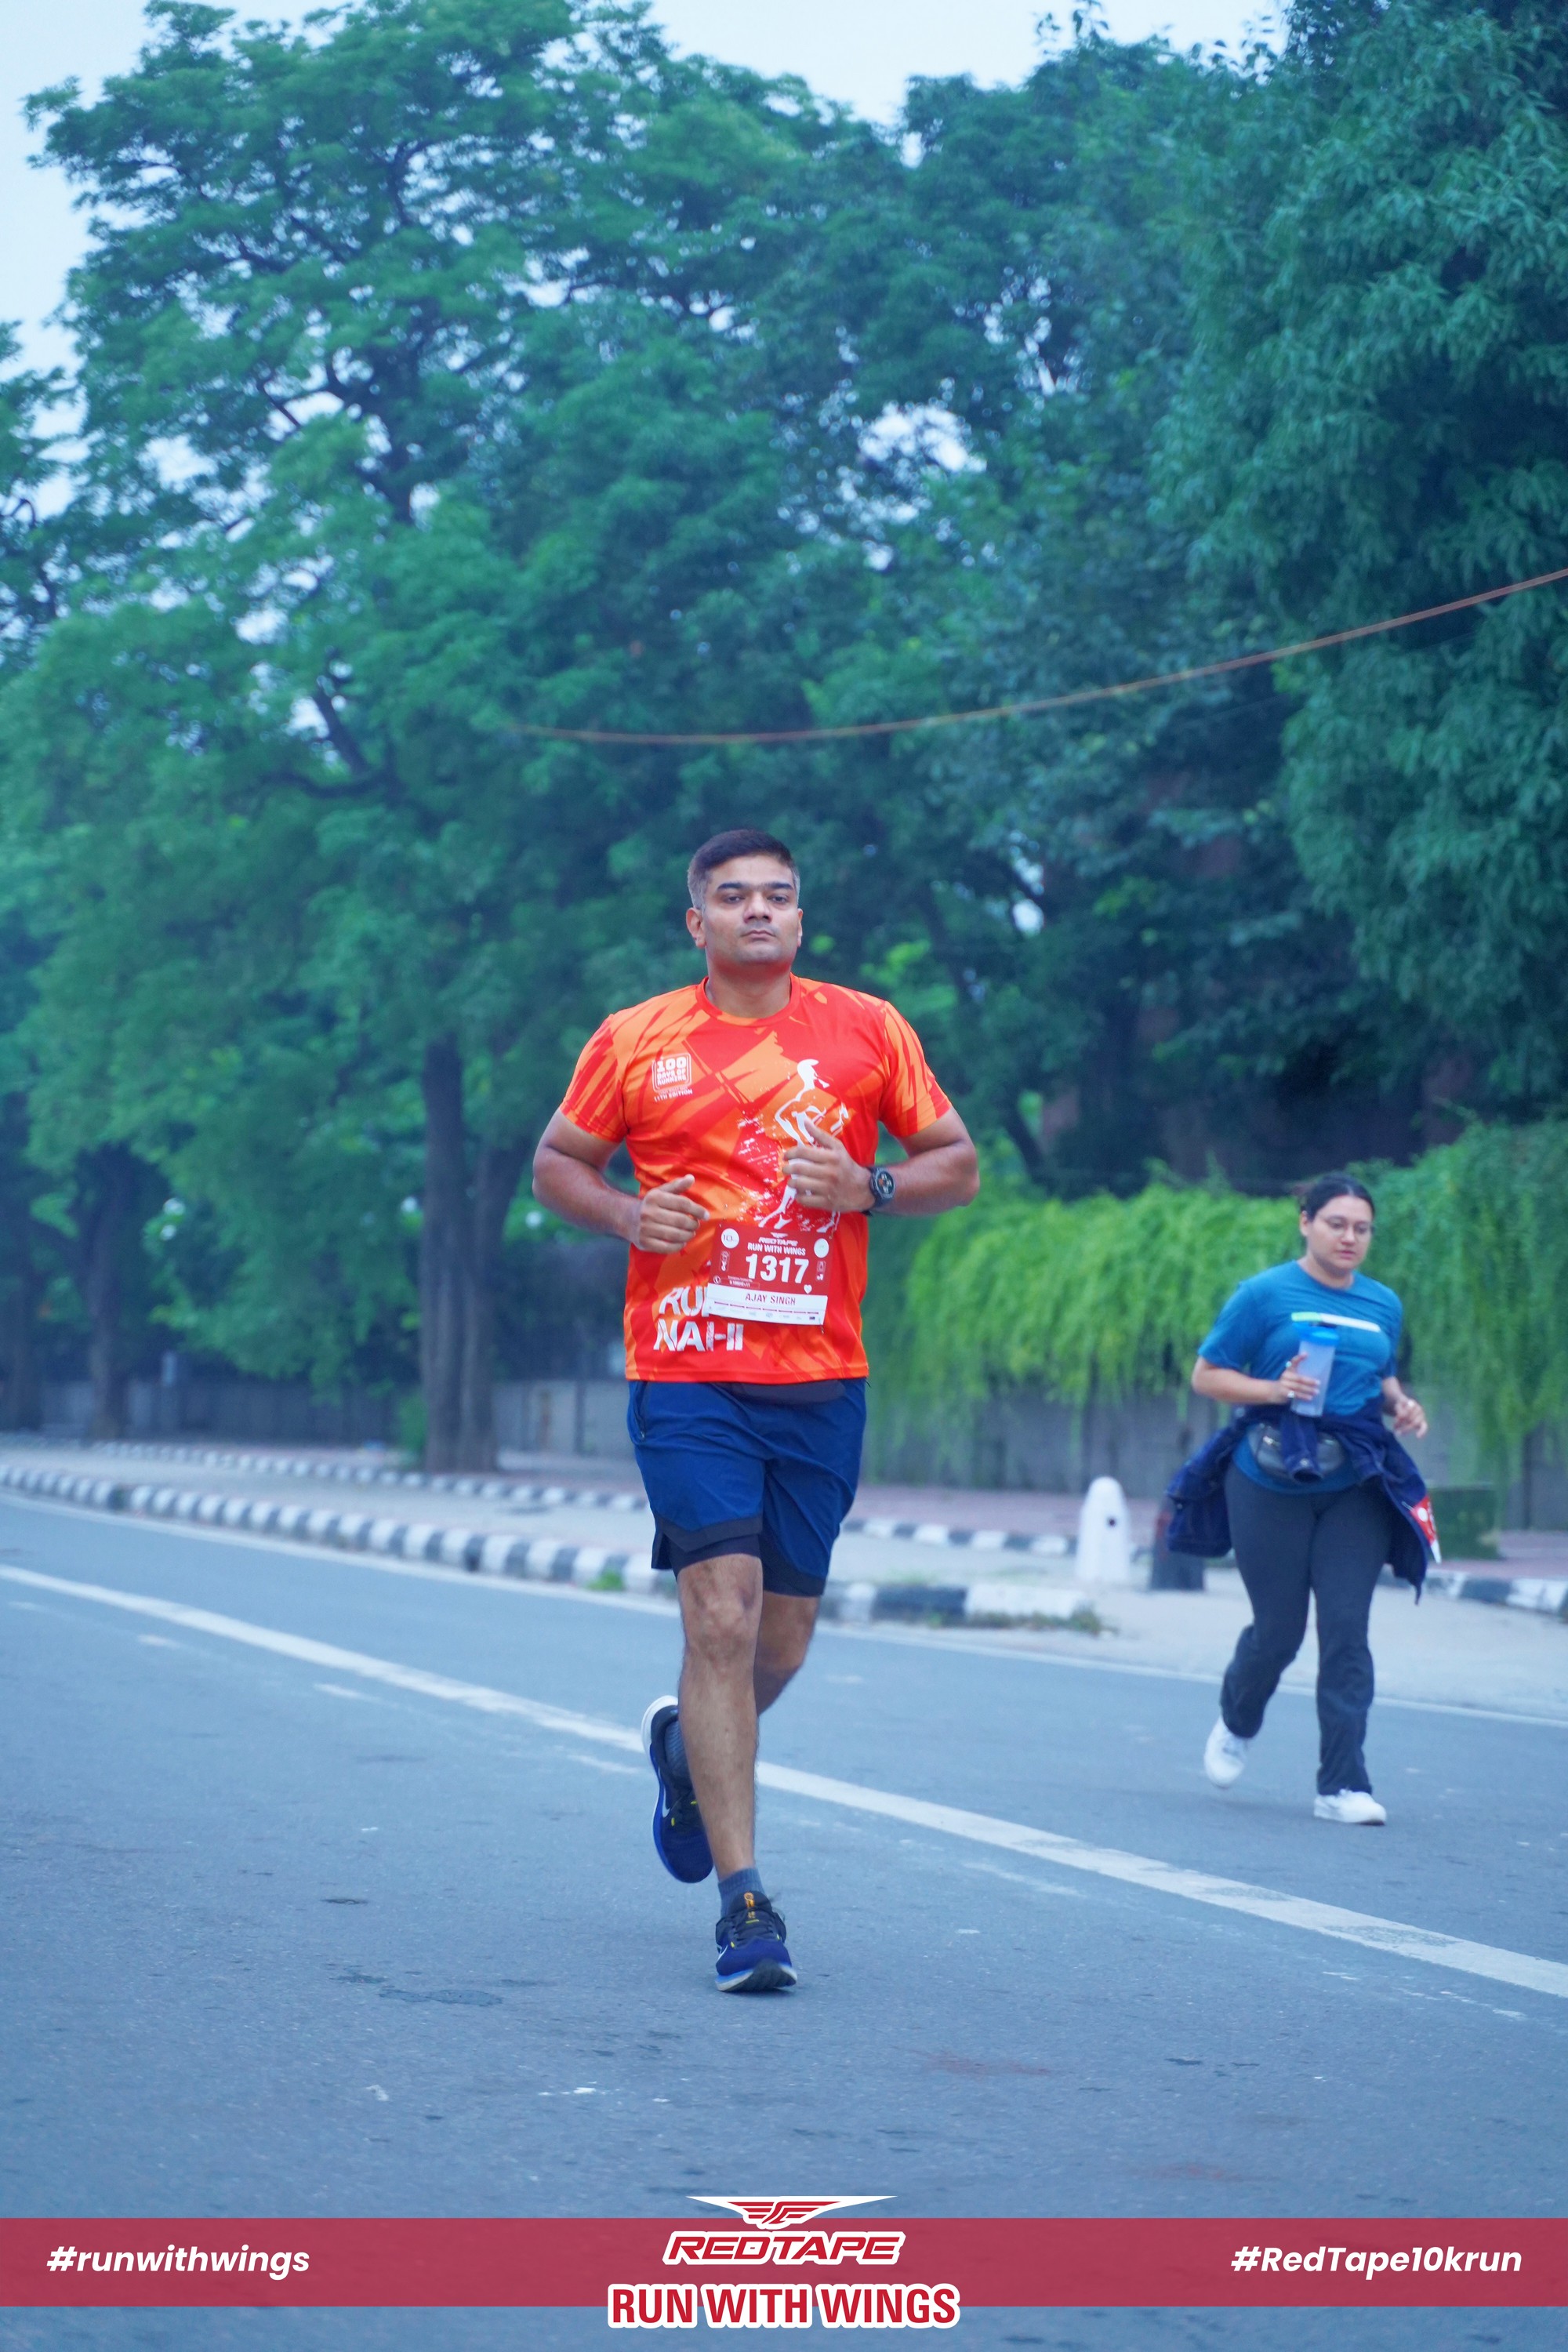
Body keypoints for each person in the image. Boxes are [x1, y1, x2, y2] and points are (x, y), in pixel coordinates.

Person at [531, 828, 978, 1990]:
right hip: (686, 1370)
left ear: (800, 917)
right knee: (719, 1621)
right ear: (699, 923)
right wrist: (627, 1215)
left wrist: (869, 1184)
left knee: (778, 1643)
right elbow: (557, 1163)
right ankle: (746, 1906)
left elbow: (956, 1162)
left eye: (778, 895)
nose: (759, 911)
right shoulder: (636, 1038)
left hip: (820, 1376)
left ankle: (686, 1753)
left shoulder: (868, 1029)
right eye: (733, 897)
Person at [1177, 1174, 1435, 1827]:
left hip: (1356, 1481)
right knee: (1280, 1631)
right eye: (1336, 1224)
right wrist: (1275, 1390)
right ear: (1305, 1223)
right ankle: (1238, 1719)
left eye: (1362, 1229)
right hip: (1269, 1478)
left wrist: (1401, 1404)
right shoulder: (1264, 1295)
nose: (1350, 1238)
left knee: (1347, 1629)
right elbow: (1206, 1375)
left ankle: (1343, 1785)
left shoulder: (1382, 1303)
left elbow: (1379, 1372)